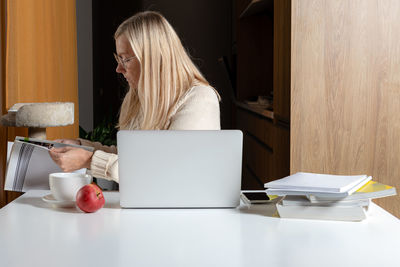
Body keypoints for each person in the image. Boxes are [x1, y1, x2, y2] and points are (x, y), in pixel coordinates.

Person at [49, 11, 221, 183]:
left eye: (125, 59)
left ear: (154, 58)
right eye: (118, 59)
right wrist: (82, 148)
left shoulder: (199, 99)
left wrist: (88, 159)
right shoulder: (138, 99)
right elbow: (133, 158)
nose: (119, 69)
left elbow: (170, 169)